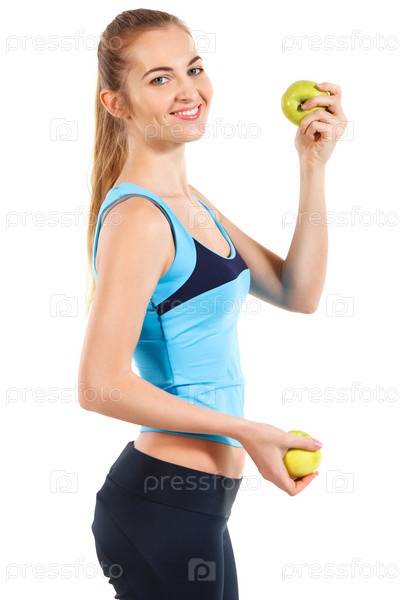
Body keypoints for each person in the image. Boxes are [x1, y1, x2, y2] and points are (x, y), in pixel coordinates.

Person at [77, 8, 347, 600]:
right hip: (161, 507)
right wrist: (246, 431)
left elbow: (297, 292)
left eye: (193, 68)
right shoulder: (140, 219)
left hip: (195, 506)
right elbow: (98, 385)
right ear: (117, 103)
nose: (188, 90)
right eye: (160, 78)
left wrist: (312, 167)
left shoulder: (187, 201)